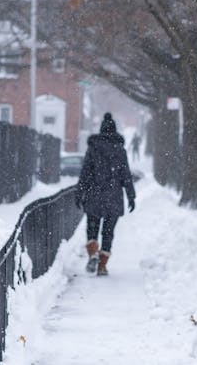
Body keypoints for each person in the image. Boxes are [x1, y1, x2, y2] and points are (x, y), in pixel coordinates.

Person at [75, 112, 136, 276]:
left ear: (101, 130)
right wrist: (131, 196)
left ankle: (93, 252)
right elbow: (126, 175)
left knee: (92, 228)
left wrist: (79, 193)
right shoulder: (120, 150)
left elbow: (85, 174)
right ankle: (102, 265)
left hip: (94, 195)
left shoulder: (93, 149)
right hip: (113, 197)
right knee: (108, 233)